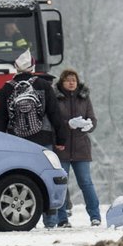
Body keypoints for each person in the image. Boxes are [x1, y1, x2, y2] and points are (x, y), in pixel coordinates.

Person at [53, 67, 101, 227]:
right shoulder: (56, 98)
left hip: (81, 147)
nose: (71, 83)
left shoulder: (84, 98)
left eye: (74, 80)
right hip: (62, 147)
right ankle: (62, 219)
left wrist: (89, 125)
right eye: (68, 80)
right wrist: (68, 124)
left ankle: (95, 216)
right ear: (62, 82)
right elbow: (54, 121)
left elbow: (92, 118)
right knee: (60, 184)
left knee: (86, 182)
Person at [0, 49, 67, 151]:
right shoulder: (44, 85)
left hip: (16, 140)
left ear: (16, 67)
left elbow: (1, 118)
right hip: (43, 139)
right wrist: (61, 139)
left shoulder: (7, 88)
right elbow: (54, 113)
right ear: (33, 67)